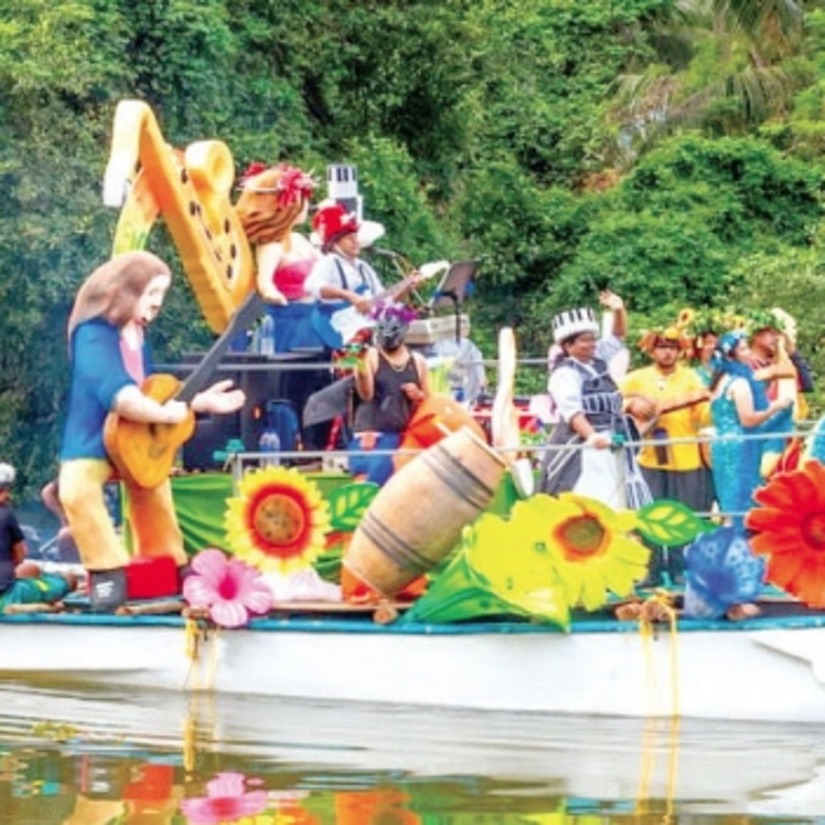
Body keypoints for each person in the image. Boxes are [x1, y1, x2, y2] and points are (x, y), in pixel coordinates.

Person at [57, 251, 245, 612]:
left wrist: (197, 402)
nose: (158, 303)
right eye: (151, 293)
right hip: (93, 440)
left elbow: (150, 389)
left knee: (151, 485)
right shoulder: (92, 334)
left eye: (161, 293)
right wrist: (165, 411)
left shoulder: (137, 334)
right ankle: (107, 572)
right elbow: (119, 393)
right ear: (127, 291)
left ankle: (168, 564)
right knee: (77, 489)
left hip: (136, 439)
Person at [540, 291, 650, 510]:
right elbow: (573, 413)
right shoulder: (565, 374)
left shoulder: (597, 361)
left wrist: (618, 310)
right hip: (585, 448)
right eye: (584, 341)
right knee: (594, 499)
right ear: (568, 346)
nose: (591, 344)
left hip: (613, 442)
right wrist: (592, 436)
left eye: (592, 339)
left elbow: (617, 337)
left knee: (619, 497)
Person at [620, 327, 712, 585]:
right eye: (662, 347)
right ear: (652, 350)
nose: (667, 352)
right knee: (649, 511)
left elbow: (704, 414)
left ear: (680, 351)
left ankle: (679, 566)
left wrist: (713, 404)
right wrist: (631, 404)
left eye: (672, 347)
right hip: (648, 455)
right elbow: (615, 400)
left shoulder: (692, 378)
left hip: (684, 454)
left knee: (684, 512)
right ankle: (650, 567)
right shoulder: (636, 379)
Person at [234, 162, 322, 353]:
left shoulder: (299, 239)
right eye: (302, 199)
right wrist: (273, 294)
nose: (306, 206)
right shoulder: (273, 244)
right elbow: (265, 284)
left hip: (313, 317)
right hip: (288, 320)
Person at [709, 329, 793, 526]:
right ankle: (740, 545)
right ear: (733, 355)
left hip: (721, 444)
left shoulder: (718, 382)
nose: (750, 353)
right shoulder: (738, 383)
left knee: (728, 500)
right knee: (742, 498)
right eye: (744, 349)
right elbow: (748, 420)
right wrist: (776, 407)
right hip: (740, 446)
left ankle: (730, 540)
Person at [348, 303, 431, 485]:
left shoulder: (418, 362)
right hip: (372, 436)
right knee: (373, 476)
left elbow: (430, 404)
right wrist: (359, 368)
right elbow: (366, 394)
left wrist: (418, 396)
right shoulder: (370, 355)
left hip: (405, 437)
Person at [305, 203, 389, 350]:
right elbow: (313, 286)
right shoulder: (329, 262)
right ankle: (347, 369)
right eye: (349, 238)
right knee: (352, 367)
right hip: (341, 331)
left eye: (356, 237)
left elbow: (384, 298)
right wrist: (350, 296)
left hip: (367, 332)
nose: (356, 242)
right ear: (334, 242)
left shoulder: (363, 267)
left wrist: (407, 286)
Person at [0, 462, 77, 611]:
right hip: (8, 596)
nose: (7, 496)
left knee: (29, 570)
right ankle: (65, 583)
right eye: (4, 491)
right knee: (68, 580)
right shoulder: (5, 515)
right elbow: (19, 555)